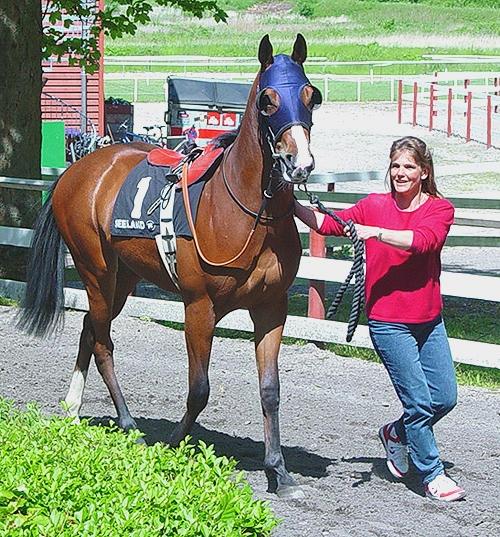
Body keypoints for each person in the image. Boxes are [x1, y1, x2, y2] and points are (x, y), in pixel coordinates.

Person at [294, 136, 465, 502]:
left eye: (409, 167)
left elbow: (423, 242)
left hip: (429, 321)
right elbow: (328, 224)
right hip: (389, 321)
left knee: (444, 398)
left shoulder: (440, 209)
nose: (400, 173)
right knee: (419, 403)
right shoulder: (374, 205)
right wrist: (290, 203)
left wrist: (376, 233)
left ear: (424, 172)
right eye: (395, 166)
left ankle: (395, 434)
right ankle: (432, 474)